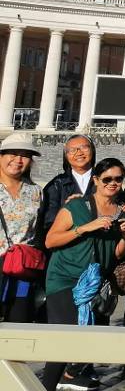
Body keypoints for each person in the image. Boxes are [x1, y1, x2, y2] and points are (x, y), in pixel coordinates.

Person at [41, 158, 125, 391]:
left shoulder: (121, 211)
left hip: (94, 282)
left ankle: (70, 376)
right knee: (65, 337)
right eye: (107, 179)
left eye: (118, 179)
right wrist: (84, 228)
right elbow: (50, 241)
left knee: (92, 338)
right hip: (65, 277)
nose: (113, 183)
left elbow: (118, 254)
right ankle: (46, 386)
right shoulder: (77, 206)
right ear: (95, 180)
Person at [0, 133, 43, 323]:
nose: (18, 160)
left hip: (22, 267)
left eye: (25, 155)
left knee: (19, 322)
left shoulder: (35, 191)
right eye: (13, 153)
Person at [37, 135, 96, 247]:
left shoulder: (106, 180)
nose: (79, 153)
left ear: (92, 150)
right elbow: (48, 222)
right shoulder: (57, 184)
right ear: (66, 156)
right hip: (66, 248)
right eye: (72, 150)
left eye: (84, 147)